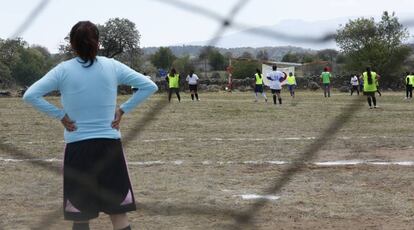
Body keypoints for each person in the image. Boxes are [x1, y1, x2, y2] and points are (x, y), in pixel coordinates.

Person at [23, 21, 158, 230]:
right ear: (98, 42)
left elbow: (30, 95)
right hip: (109, 148)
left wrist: (60, 115)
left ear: (71, 44)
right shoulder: (112, 66)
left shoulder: (63, 70)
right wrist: (122, 109)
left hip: (78, 150)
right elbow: (149, 86)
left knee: (80, 216)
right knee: (119, 215)